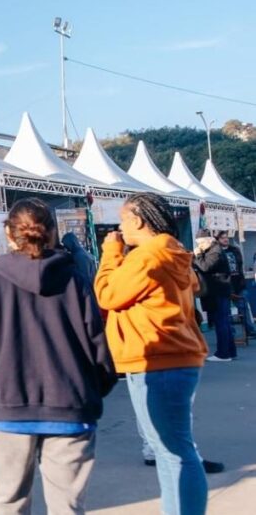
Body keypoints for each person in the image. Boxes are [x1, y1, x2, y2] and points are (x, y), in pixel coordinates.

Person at [0, 198, 117, 515]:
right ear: (53, 232)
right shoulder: (75, 279)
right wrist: (88, 390)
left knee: (10, 502)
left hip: (9, 409)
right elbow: (99, 350)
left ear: (8, 233)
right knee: (67, 508)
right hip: (71, 407)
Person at [94, 193, 209, 515]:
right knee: (170, 450)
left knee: (174, 451)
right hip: (168, 359)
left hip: (160, 359)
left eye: (122, 220)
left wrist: (111, 252)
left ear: (138, 220)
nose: (119, 227)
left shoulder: (149, 257)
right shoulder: (168, 251)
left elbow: (108, 294)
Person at [193, 229, 235, 361]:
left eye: (200, 243)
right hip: (219, 291)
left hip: (218, 291)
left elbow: (205, 267)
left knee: (221, 322)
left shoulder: (214, 251)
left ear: (207, 241)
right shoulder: (214, 250)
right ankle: (230, 352)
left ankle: (223, 353)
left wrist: (198, 256)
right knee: (224, 322)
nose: (199, 246)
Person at [217, 231, 256, 337]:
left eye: (226, 237)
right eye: (222, 238)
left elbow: (239, 264)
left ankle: (250, 329)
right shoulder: (217, 252)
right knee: (226, 310)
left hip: (238, 282)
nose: (225, 240)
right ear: (218, 240)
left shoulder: (234, 250)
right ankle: (231, 332)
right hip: (225, 284)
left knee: (243, 307)